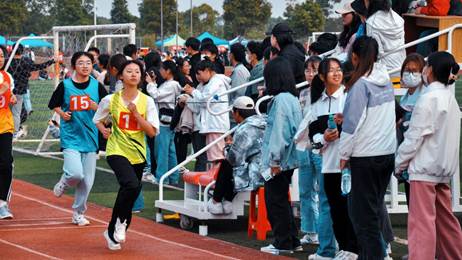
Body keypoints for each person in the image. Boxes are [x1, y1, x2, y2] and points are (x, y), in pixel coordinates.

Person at [395, 51, 462, 259]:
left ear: (430, 70)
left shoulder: (428, 99)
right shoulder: (450, 99)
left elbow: (414, 138)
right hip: (443, 170)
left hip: (424, 170)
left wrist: (399, 163)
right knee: (445, 221)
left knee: (421, 223)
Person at [339, 36, 396, 259]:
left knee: (364, 219)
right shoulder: (386, 81)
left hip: (366, 157)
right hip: (386, 154)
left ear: (355, 57)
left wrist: (343, 155)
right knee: (372, 214)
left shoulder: (360, 85)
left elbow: (352, 126)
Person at [93, 60, 159, 251]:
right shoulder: (110, 100)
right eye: (128, 71)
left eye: (137, 71)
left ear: (141, 76)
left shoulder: (148, 101)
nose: (133, 74)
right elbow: (97, 118)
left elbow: (152, 132)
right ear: (120, 76)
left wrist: (137, 115)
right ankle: (121, 222)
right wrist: (103, 130)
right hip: (116, 150)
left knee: (129, 190)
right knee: (131, 185)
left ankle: (112, 229)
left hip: (137, 152)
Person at [48, 51, 108, 226]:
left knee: (87, 181)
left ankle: (78, 213)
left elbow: (108, 111)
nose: (85, 66)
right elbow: (53, 104)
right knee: (75, 173)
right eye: (81, 63)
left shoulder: (97, 87)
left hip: (91, 138)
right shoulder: (65, 86)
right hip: (71, 137)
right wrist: (62, 114)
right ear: (74, 66)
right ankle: (64, 182)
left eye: (88, 63)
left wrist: (96, 106)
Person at [309, 58, 359, 258]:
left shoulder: (349, 97)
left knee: (351, 209)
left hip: (349, 164)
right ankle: (345, 248)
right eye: (331, 71)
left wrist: (342, 129)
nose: (337, 74)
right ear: (322, 77)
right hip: (329, 164)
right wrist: (323, 138)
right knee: (336, 211)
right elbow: (312, 135)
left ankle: (355, 249)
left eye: (339, 70)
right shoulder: (317, 104)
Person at [259, 56, 302, 255]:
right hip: (290, 158)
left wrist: (274, 161)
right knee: (282, 200)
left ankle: (282, 241)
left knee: (275, 201)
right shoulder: (292, 98)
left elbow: (279, 132)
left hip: (280, 159)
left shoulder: (281, 100)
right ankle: (292, 239)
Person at [207, 96, 265, 214]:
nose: (233, 115)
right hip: (270, 168)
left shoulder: (244, 129)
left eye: (233, 112)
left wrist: (228, 147)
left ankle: (216, 200)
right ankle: (227, 201)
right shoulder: (265, 121)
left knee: (227, 165)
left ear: (237, 112)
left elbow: (234, 158)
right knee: (232, 165)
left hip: (256, 173)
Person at [184, 60, 230, 163]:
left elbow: (205, 100)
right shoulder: (204, 84)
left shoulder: (216, 82)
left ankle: (218, 178)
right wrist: (188, 100)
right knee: (212, 156)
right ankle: (216, 177)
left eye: (199, 73)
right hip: (210, 125)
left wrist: (193, 91)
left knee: (216, 157)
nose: (197, 77)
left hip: (215, 125)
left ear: (207, 71)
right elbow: (198, 106)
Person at [396, 53, 426, 206]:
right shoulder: (406, 96)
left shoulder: (425, 95)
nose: (410, 74)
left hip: (419, 160)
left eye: (415, 71)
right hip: (406, 161)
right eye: (407, 70)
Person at [147, 60, 182, 184]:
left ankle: (162, 178)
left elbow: (156, 95)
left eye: (162, 69)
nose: (160, 72)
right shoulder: (171, 84)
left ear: (168, 71)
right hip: (169, 121)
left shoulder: (171, 85)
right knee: (170, 151)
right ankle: (173, 177)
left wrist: (150, 84)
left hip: (164, 122)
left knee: (161, 151)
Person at [8, 43, 54, 138]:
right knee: (16, 113)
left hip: (8, 89)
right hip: (20, 90)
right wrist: (52, 61)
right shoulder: (25, 61)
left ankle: (10, 130)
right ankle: (15, 132)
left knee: (9, 112)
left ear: (13, 50)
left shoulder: (8, 61)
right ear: (23, 51)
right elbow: (39, 67)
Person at [359, 0, 406, 72]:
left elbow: (376, 52)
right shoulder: (398, 18)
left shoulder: (372, 22)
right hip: (402, 65)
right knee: (397, 83)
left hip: (385, 72)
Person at [0, 45, 17, 219]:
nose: (0, 59)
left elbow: (8, 97)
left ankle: (2, 203)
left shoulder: (7, 77)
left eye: (1, 56)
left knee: (6, 163)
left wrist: (11, 97)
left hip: (4, 125)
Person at [228, 43, 250, 109]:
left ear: (232, 55)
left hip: (238, 106)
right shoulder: (240, 69)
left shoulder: (239, 71)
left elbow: (239, 92)